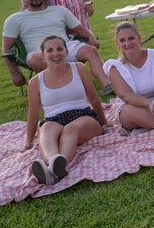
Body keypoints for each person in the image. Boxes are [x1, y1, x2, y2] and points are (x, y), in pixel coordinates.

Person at [25, 35, 107, 184]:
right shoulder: (35, 82)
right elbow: (33, 114)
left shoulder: (79, 68)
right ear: (43, 55)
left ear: (66, 52)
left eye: (59, 49)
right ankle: (53, 165)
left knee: (70, 129)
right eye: (50, 50)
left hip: (84, 115)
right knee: (46, 129)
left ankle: (55, 168)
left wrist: (105, 122)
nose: (55, 54)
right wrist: (28, 142)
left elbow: (93, 97)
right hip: (54, 119)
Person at [2, 0, 111, 93]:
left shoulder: (59, 10)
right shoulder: (14, 19)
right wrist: (14, 73)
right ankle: (62, 88)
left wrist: (91, 36)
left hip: (66, 47)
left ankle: (108, 85)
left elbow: (79, 29)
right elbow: (7, 49)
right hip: (39, 53)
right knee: (34, 59)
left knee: (90, 50)